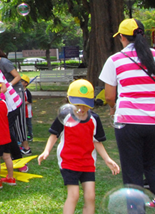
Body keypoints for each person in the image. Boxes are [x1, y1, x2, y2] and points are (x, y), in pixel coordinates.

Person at [100, 18, 155, 210]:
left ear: (122, 38)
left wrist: (113, 107)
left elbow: (109, 96)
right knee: (154, 165)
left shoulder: (115, 60)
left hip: (129, 123)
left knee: (132, 172)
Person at [38, 79, 119, 214]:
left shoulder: (94, 119)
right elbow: (54, 135)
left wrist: (107, 159)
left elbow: (97, 141)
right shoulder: (65, 116)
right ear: (69, 101)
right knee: (74, 195)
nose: (81, 109)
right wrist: (46, 151)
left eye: (85, 105)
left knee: (90, 197)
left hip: (87, 162)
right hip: (69, 161)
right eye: (77, 105)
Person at [0, 43, 31, 155]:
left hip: (14, 95)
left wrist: (8, 85)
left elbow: (17, 77)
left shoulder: (1, 65)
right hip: (5, 97)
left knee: (15, 126)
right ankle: (12, 152)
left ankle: (22, 150)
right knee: (8, 128)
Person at [22, 75, 34, 143]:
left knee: (28, 124)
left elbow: (29, 101)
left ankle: (30, 135)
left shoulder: (27, 92)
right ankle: (24, 135)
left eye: (22, 81)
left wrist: (23, 103)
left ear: (26, 83)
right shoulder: (19, 90)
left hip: (27, 111)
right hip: (22, 111)